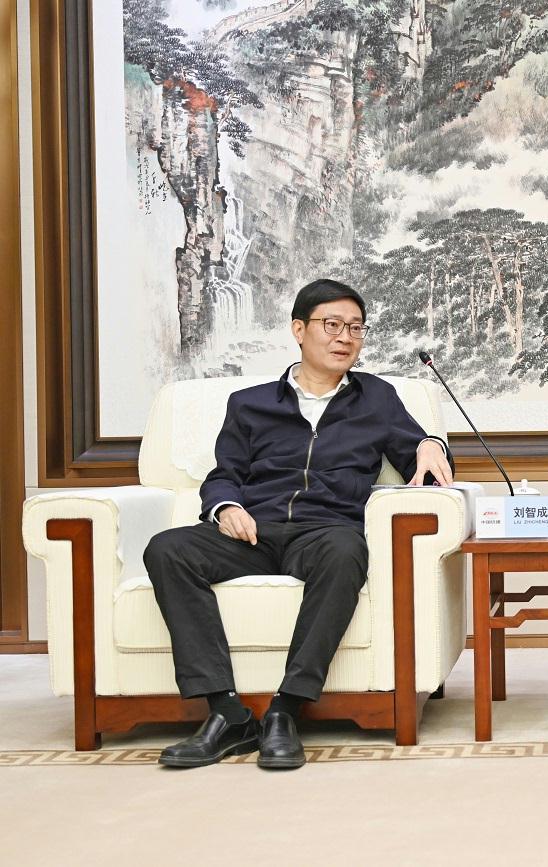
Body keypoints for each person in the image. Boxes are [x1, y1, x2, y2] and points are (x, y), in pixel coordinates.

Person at [144, 278, 454, 770]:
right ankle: (226, 713)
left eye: (355, 327)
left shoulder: (376, 398)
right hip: (254, 530)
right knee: (168, 548)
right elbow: (224, 474)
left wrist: (431, 444)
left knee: (346, 551)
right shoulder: (250, 403)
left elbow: (420, 459)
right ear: (298, 330)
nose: (345, 337)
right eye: (332, 325)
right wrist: (226, 508)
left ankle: (285, 709)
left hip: (326, 531)